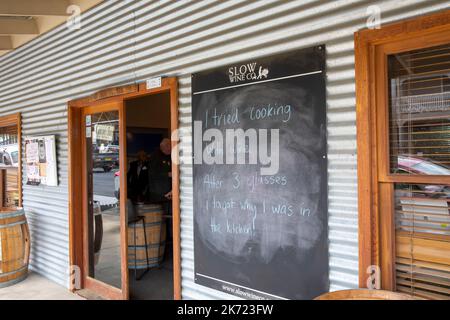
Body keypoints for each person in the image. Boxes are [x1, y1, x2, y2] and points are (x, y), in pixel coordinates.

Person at [147, 138, 172, 203]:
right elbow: (152, 174)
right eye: (170, 146)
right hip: (158, 193)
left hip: (170, 192)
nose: (171, 148)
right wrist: (167, 174)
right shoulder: (155, 157)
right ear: (164, 146)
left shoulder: (170, 156)